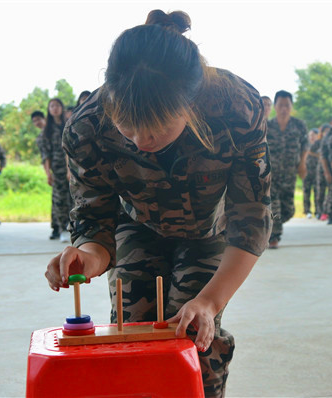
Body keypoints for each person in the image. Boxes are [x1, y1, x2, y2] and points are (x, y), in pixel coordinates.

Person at [44, 10, 271, 397]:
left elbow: (250, 217)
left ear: (191, 105)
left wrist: (210, 301)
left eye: (158, 128)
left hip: (209, 230)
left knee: (196, 337)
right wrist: (87, 258)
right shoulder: (86, 128)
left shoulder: (236, 108)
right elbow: (95, 219)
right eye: (127, 127)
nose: (140, 141)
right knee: (131, 335)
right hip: (137, 227)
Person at [266, 90, 308, 247]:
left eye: (287, 105)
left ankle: (275, 225)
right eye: (281, 105)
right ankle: (273, 236)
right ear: (275, 106)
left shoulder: (299, 125)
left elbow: (305, 145)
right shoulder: (268, 126)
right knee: (274, 204)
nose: (284, 108)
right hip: (272, 173)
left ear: (291, 107)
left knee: (289, 210)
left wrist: (302, 163)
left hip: (290, 172)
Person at [37, 98, 72, 243]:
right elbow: (46, 155)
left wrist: (70, 169)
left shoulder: (69, 126)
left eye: (58, 105)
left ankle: (73, 227)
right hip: (57, 170)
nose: (55, 108)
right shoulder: (47, 132)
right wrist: (48, 173)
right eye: (52, 106)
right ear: (49, 110)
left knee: (73, 198)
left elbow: (71, 150)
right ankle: (62, 228)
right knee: (59, 200)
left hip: (72, 169)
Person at [303, 128, 319, 218]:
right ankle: (307, 210)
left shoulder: (320, 145)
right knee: (306, 191)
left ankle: (318, 211)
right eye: (310, 135)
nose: (312, 137)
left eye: (313, 135)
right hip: (307, 171)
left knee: (318, 191)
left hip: (317, 171)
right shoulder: (306, 146)